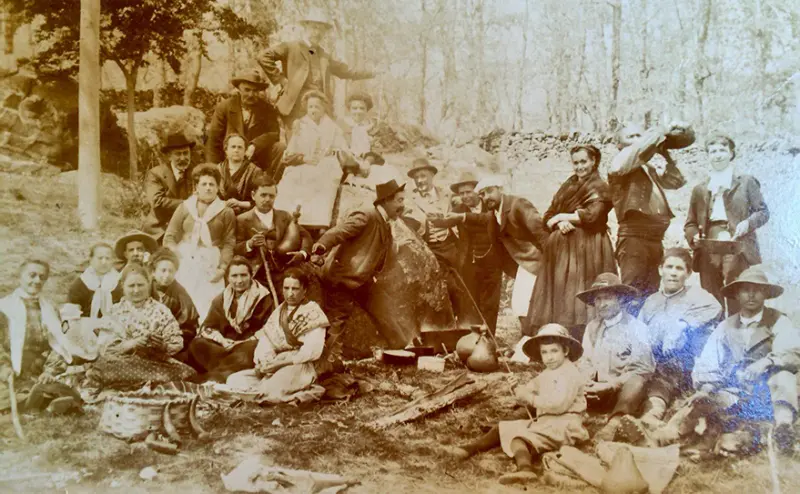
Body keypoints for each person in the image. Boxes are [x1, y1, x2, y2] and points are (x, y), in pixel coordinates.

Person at [447, 324, 589, 485]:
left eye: (554, 351)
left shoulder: (569, 374)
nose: (549, 357)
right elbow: (530, 389)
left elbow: (558, 405)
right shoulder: (548, 373)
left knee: (519, 439)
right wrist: (517, 387)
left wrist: (529, 398)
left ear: (566, 351)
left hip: (564, 426)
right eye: (544, 352)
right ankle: (469, 448)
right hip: (547, 421)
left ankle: (525, 469)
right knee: (502, 427)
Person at [690, 267, 798, 454]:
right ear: (737, 294)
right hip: (736, 391)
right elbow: (709, 361)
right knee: (705, 400)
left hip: (768, 392)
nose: (751, 295)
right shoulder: (725, 326)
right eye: (745, 289)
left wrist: (766, 362)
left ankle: (783, 427)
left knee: (784, 376)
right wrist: (707, 386)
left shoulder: (778, 321)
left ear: (765, 294)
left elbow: (793, 351)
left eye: (758, 290)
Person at [311, 179, 406, 373]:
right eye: (399, 200)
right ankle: (324, 367)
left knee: (386, 311)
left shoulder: (386, 223)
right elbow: (339, 232)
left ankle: (399, 351)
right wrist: (321, 246)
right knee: (337, 320)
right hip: (342, 278)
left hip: (362, 280)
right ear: (386, 200)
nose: (402, 206)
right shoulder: (366, 214)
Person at [526, 145, 616, 339]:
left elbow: (593, 216)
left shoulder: (600, 187)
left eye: (584, 161)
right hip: (561, 250)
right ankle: (558, 336)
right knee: (561, 292)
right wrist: (559, 222)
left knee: (580, 290)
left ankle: (585, 337)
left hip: (588, 248)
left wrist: (561, 217)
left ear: (594, 161)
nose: (580, 166)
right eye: (575, 162)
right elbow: (548, 214)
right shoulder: (569, 184)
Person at [608, 122, 693, 308]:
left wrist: (664, 152)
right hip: (633, 238)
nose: (638, 140)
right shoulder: (619, 164)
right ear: (619, 144)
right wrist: (657, 133)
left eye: (640, 135)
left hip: (655, 239)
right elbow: (627, 159)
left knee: (651, 294)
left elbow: (677, 181)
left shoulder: (648, 168)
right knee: (632, 292)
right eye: (631, 137)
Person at [633, 248, 722, 427]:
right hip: (652, 358)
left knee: (666, 373)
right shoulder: (651, 301)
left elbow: (715, 308)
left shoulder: (697, 295)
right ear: (660, 270)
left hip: (684, 360)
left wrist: (682, 324)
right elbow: (639, 331)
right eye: (669, 267)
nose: (673, 273)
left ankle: (653, 414)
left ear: (688, 273)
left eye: (679, 269)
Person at [685, 134, 769, 315]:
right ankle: (715, 334)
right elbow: (690, 223)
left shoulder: (746, 182)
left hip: (737, 241)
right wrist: (694, 236)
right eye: (713, 151)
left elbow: (763, 212)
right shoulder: (700, 189)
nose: (718, 155)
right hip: (708, 244)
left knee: (736, 289)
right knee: (710, 293)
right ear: (707, 156)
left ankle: (739, 331)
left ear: (731, 154)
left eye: (722, 150)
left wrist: (747, 224)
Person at [449, 176, 547, 331]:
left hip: (537, 261)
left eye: (489, 191)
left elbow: (541, 233)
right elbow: (482, 219)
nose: (486, 197)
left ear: (501, 189)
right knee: (521, 306)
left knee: (529, 306)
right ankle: (531, 341)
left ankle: (536, 342)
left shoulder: (518, 204)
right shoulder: (494, 211)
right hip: (523, 264)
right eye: (482, 194)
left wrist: (552, 263)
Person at [258, 7, 375, 135]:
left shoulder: (324, 55)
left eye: (321, 29)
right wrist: (282, 80)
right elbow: (263, 57)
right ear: (306, 27)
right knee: (296, 147)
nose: (317, 32)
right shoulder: (291, 47)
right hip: (295, 107)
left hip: (319, 107)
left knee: (319, 146)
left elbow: (346, 71)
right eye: (314, 27)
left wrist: (372, 72)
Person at [225, 268, 330, 403]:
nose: (290, 293)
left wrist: (280, 364)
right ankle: (268, 390)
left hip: (301, 365)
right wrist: (263, 362)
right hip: (277, 363)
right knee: (234, 380)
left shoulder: (313, 311)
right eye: (286, 288)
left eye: (295, 288)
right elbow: (267, 341)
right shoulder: (279, 311)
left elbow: (311, 352)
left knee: (271, 390)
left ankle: (308, 392)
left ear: (304, 290)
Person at [86, 264, 197, 389]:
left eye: (140, 285)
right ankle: (148, 385)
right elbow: (105, 348)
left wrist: (162, 346)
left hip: (154, 365)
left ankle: (139, 385)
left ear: (149, 285)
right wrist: (132, 344)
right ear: (123, 286)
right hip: (121, 365)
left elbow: (176, 343)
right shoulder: (114, 311)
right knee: (98, 372)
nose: (136, 290)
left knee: (188, 373)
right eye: (131, 286)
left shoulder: (161, 310)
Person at [576, 273, 655, 441]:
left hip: (621, 393)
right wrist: (587, 382)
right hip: (595, 391)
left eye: (607, 298)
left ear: (620, 300)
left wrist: (611, 385)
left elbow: (643, 368)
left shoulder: (636, 327)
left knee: (637, 381)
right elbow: (585, 360)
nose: (601, 305)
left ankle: (614, 423)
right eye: (598, 299)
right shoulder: (592, 327)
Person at [0, 259, 78, 412]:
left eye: (42, 277)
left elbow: (59, 345)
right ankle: (38, 402)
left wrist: (49, 371)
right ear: (19, 277)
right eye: (32, 275)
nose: (37, 281)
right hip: (8, 368)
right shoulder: (3, 308)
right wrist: (3, 367)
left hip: (37, 370)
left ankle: (36, 400)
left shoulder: (50, 309)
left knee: (62, 387)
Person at [163, 164, 237, 320]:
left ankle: (206, 332)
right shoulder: (185, 207)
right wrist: (177, 255)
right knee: (183, 296)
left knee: (209, 301)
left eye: (212, 184)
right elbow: (169, 236)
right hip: (185, 257)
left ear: (218, 187)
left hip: (211, 259)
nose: (208, 188)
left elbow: (229, 243)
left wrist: (223, 268)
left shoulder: (226, 211)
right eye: (204, 184)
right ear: (196, 187)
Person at [187, 257, 272, 382]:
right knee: (197, 344)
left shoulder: (263, 298)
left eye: (243, 275)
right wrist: (222, 341)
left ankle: (216, 375)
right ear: (228, 278)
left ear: (251, 275)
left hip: (247, 345)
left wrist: (242, 343)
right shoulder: (221, 299)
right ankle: (223, 371)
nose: (239, 280)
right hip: (224, 346)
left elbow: (269, 328)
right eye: (234, 276)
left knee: (250, 351)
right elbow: (209, 326)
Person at [234, 175, 311, 292]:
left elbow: (305, 236)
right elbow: (235, 248)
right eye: (263, 195)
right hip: (257, 275)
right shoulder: (242, 220)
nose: (267, 199)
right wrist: (250, 244)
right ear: (253, 195)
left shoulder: (284, 216)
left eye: (271, 196)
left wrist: (302, 253)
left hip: (284, 272)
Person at [449, 170, 503, 332]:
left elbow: (491, 221)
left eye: (468, 192)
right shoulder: (458, 210)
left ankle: (489, 340)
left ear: (478, 192)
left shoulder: (490, 205)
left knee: (490, 304)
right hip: (469, 262)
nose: (465, 196)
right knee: (471, 303)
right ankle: (471, 341)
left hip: (493, 261)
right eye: (461, 193)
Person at [205, 69, 284, 176]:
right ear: (239, 90)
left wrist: (254, 145)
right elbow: (213, 140)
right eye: (247, 90)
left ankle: (268, 185)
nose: (251, 94)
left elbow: (274, 133)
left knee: (280, 148)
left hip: (257, 160)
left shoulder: (267, 109)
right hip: (231, 160)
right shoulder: (225, 107)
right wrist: (214, 171)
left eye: (255, 91)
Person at [148, 248, 199, 365]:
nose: (167, 275)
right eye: (163, 270)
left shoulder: (180, 293)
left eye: (171, 271)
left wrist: (169, 340)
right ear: (153, 272)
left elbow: (189, 324)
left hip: (172, 344)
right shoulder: (145, 288)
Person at [143, 133, 196, 240]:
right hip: (160, 229)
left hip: (187, 230)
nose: (183, 158)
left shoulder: (195, 173)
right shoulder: (156, 174)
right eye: (178, 154)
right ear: (169, 156)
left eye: (186, 153)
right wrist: (188, 203)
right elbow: (156, 201)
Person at [284, 90, 348, 166]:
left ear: (323, 108)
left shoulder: (332, 127)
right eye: (310, 107)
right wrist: (304, 159)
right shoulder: (300, 125)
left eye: (317, 107)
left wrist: (333, 152)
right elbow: (289, 154)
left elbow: (343, 149)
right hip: (303, 164)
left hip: (327, 165)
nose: (313, 110)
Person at [67, 242, 122, 318]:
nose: (104, 262)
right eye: (100, 258)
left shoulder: (119, 282)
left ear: (113, 261)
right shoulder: (81, 283)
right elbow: (71, 312)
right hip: (86, 325)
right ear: (91, 260)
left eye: (107, 258)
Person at [216, 133, 264, 214]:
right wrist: (223, 204)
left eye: (240, 147)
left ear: (245, 151)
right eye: (233, 147)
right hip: (220, 213)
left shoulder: (255, 171)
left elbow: (260, 200)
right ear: (226, 150)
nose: (236, 150)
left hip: (246, 214)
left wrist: (239, 203)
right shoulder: (217, 170)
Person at [339, 91, 376, 156]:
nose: (358, 111)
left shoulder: (370, 127)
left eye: (362, 108)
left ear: (366, 110)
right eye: (354, 108)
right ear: (349, 110)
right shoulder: (343, 125)